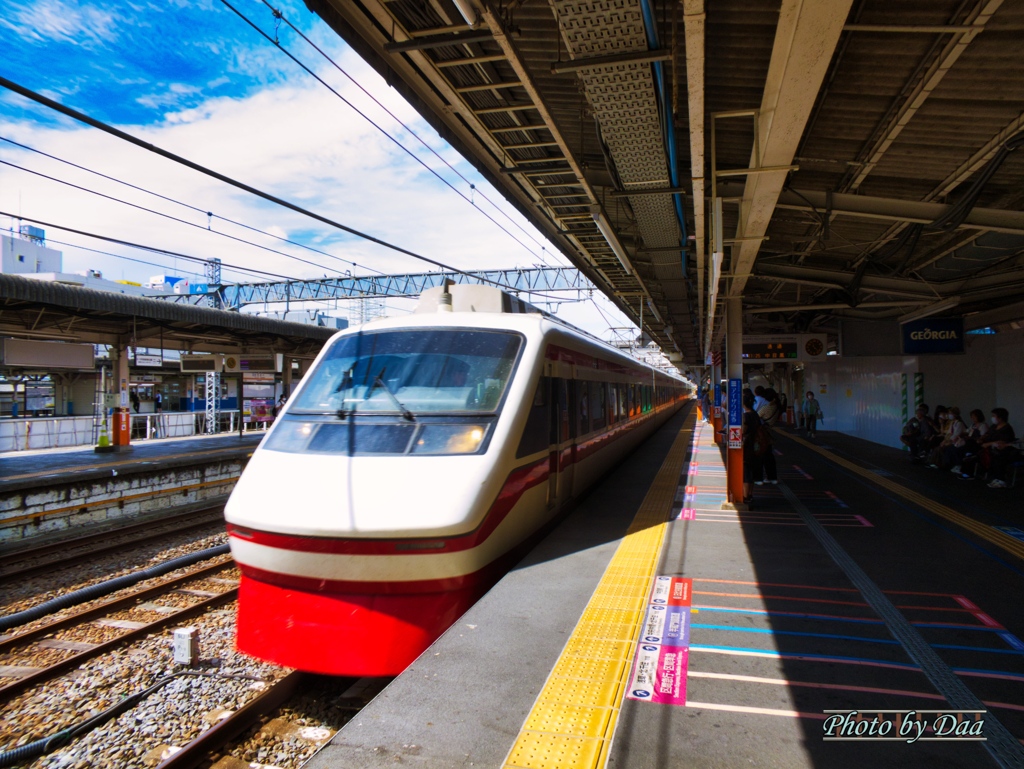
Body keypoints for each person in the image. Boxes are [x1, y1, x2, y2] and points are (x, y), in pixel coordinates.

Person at [982, 408, 1017, 488]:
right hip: (992, 448)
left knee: (998, 456)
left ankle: (1001, 480)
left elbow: (1002, 443)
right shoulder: (993, 427)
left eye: (994, 416)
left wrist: (989, 444)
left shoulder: (1007, 429)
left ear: (1000, 418)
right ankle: (996, 477)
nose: (992, 418)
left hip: (1005, 451)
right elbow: (987, 436)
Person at [755, 388, 781, 485]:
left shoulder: (767, 407)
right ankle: (772, 477)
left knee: (759, 455)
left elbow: (756, 416)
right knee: (769, 456)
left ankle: (758, 479)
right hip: (769, 433)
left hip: (761, 434)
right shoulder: (777, 407)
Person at [741, 391, 763, 503]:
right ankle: (750, 494)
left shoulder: (746, 416)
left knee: (746, 472)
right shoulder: (755, 414)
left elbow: (743, 431)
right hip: (756, 445)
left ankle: (745, 496)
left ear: (744, 404)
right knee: (752, 470)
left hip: (747, 446)